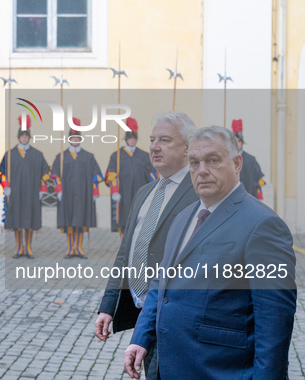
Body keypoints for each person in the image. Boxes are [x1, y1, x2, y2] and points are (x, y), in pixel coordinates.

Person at [124, 126, 296, 380]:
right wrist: (141, 338)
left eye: (213, 160)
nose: (202, 170)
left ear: (237, 163)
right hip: (166, 368)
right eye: (194, 162)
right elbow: (162, 282)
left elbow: (274, 327)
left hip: (219, 371)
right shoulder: (183, 217)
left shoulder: (263, 225)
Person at [95, 111, 198, 379]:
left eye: (165, 140)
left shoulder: (199, 192)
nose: (154, 146)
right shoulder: (145, 192)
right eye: (152, 140)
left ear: (187, 148)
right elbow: (124, 253)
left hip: (176, 316)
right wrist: (108, 306)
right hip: (141, 312)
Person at [0, 115, 49, 258]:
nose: (24, 138)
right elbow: (0, 172)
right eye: (22, 136)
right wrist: (6, 186)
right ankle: (19, 247)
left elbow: (46, 172)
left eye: (26, 136)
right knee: (17, 221)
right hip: (15, 193)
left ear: (29, 137)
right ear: (18, 137)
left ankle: (28, 247)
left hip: (31, 194)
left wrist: (42, 189)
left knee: (29, 221)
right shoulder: (10, 155)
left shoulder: (37, 155)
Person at [49, 120, 102, 258]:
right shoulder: (61, 157)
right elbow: (54, 175)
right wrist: (58, 190)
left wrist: (94, 192)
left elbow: (96, 176)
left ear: (80, 139)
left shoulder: (88, 156)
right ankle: (69, 248)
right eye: (73, 137)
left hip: (83, 195)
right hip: (66, 195)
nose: (75, 140)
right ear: (69, 139)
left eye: (77, 137)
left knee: (80, 222)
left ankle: (79, 248)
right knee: (69, 223)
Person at [105, 117, 154, 236]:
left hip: (140, 193)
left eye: (133, 138)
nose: (132, 140)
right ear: (126, 139)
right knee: (124, 220)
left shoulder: (144, 156)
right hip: (123, 194)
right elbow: (111, 175)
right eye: (130, 138)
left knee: (139, 220)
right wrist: (115, 191)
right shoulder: (116, 156)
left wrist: (153, 192)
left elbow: (152, 175)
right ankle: (124, 246)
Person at [232, 119, 265, 199]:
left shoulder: (251, 160)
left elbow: (256, 182)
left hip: (249, 196)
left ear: (242, 142)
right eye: (235, 141)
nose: (237, 143)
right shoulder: (228, 158)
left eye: (239, 141)